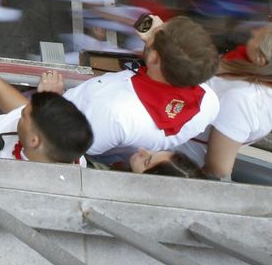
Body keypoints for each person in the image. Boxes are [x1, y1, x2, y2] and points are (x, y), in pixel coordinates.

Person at [63, 15, 221, 165]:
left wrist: (51, 95)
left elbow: (66, 146)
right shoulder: (210, 102)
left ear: (154, 58)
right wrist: (156, 42)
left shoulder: (114, 111)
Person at [180, 21, 272, 179]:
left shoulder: (243, 100)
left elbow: (218, 169)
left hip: (167, 150)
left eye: (261, 35)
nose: (254, 32)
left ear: (261, 60)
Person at [0, 56, 94, 164]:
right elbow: (19, 106)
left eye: (23, 115)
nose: (21, 111)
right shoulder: (60, 146)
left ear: (33, 141)